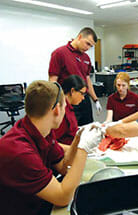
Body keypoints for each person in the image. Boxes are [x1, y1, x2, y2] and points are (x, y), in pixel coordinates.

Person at [0, 80, 102, 215]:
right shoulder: (20, 152)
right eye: (65, 107)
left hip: (38, 201)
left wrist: (78, 140)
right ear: (56, 110)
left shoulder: (41, 130)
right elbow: (62, 197)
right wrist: (83, 150)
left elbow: (62, 166)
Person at [48, 27, 102, 126]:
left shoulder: (86, 58)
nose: (88, 48)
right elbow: (52, 81)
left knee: (88, 128)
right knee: (70, 130)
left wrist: (95, 100)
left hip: (84, 99)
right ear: (80, 37)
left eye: (91, 46)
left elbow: (87, 80)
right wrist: (56, 103)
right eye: (87, 43)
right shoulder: (59, 53)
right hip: (68, 101)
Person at [54, 75, 87, 145]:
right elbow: (53, 142)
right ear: (72, 91)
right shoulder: (62, 111)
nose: (83, 98)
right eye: (82, 94)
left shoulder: (69, 108)